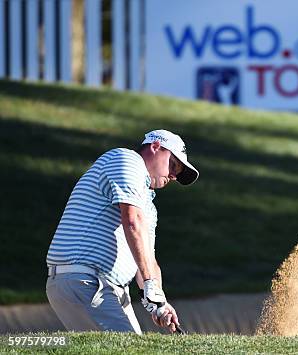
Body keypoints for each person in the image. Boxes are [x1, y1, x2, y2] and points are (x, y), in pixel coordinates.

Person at [45, 129, 199, 334]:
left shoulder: (147, 206)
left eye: (177, 174)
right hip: (86, 280)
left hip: (105, 287)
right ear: (155, 147)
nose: (173, 176)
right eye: (172, 165)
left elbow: (147, 260)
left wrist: (160, 302)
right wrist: (150, 285)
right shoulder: (127, 159)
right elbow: (131, 222)